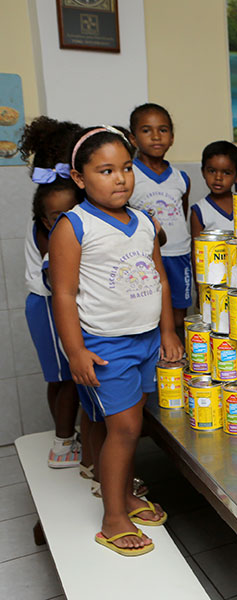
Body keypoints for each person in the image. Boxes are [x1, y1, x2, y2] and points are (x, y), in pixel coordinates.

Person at [50, 125, 183, 555]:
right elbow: (64, 294)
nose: (120, 178)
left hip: (146, 341)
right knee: (124, 429)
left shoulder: (144, 221)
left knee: (131, 424)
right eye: (106, 170)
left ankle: (125, 495)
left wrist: (167, 331)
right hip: (106, 347)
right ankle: (113, 519)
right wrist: (76, 351)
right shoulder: (74, 226)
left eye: (126, 168)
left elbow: (160, 279)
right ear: (79, 177)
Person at [18, 116, 83, 468]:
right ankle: (62, 444)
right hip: (47, 304)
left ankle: (66, 437)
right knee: (70, 377)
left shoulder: (55, 198)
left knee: (61, 377)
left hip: (49, 302)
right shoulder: (57, 207)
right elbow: (58, 274)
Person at [128, 103, 192, 329]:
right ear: (133, 139)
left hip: (179, 255)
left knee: (178, 317)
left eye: (163, 130)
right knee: (150, 314)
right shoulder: (128, 175)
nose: (156, 136)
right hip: (146, 257)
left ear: (172, 138)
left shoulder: (181, 178)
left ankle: (176, 361)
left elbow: (181, 214)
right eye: (146, 130)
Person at [190, 141, 237, 237]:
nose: (218, 177)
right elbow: (197, 249)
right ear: (203, 172)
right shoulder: (200, 210)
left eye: (226, 173)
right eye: (212, 171)